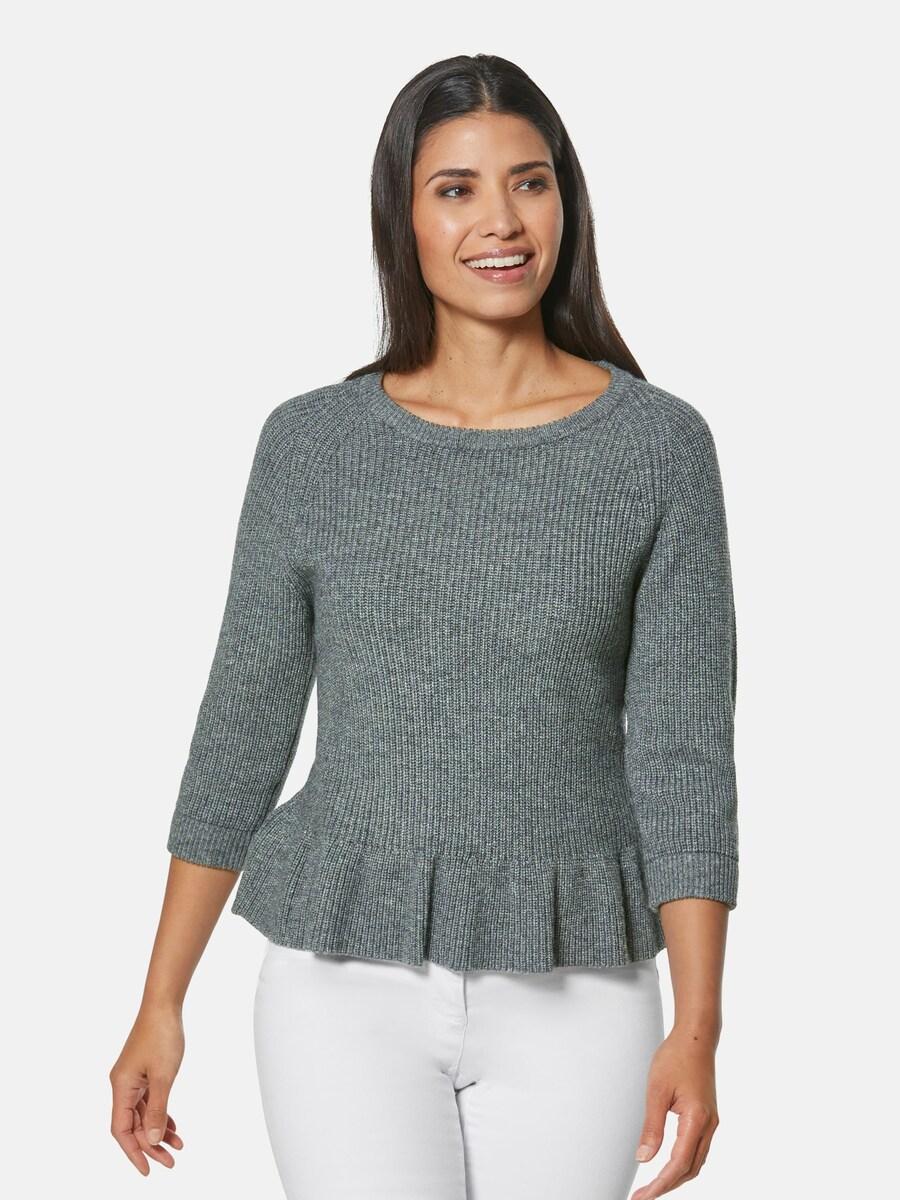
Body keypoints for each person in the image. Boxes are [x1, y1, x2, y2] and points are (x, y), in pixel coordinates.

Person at [109, 52, 739, 1200]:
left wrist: (696, 1029)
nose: (501, 220)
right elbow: (242, 729)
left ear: (566, 202)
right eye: (456, 188)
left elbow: (685, 758)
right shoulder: (313, 446)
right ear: (402, 217)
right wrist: (161, 1002)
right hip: (339, 990)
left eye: (530, 182)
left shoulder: (657, 449)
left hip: (582, 986)